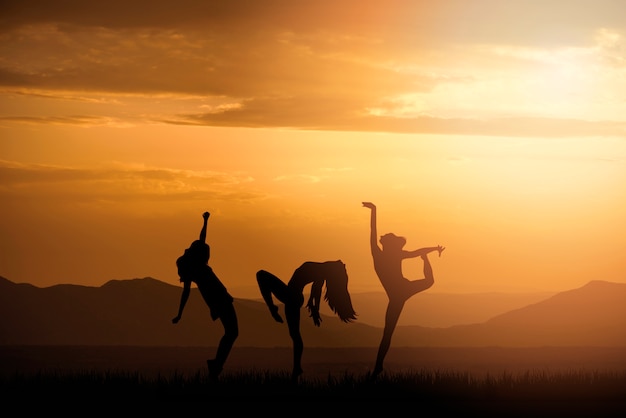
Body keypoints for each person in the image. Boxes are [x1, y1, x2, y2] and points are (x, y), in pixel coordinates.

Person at [362, 202, 444, 377]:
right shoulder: (380, 254)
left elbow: (416, 251)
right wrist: (374, 211)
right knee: (387, 332)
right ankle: (378, 366)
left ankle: (378, 366)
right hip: (398, 295)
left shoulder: (389, 254)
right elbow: (373, 231)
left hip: (401, 290)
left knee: (429, 281)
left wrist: (432, 249)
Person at [256, 260, 357, 381]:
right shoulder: (320, 271)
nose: (342, 264)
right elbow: (316, 290)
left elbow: (317, 290)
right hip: (292, 296)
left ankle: (272, 308)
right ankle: (297, 368)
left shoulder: (320, 272)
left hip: (292, 296)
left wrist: (315, 309)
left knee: (261, 274)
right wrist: (314, 308)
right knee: (295, 335)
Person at [172, 211, 239, 381]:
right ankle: (216, 365)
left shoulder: (194, 265)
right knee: (232, 332)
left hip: (218, 299)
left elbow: (202, 238)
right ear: (200, 254)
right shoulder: (197, 266)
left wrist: (205, 221)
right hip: (220, 299)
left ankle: (216, 364)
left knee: (231, 332)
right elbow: (186, 292)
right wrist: (180, 313)